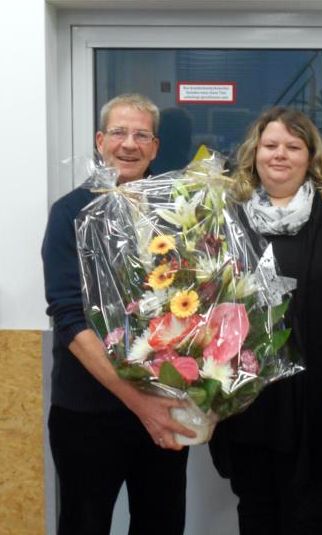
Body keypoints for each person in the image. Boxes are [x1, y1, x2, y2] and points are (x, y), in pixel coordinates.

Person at [42, 93, 196, 535]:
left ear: (155, 147)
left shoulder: (174, 214)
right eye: (119, 133)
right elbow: (69, 318)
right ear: (100, 141)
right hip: (87, 412)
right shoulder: (70, 213)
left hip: (164, 405)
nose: (129, 144)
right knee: (85, 524)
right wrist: (139, 402)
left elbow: (196, 301)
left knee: (162, 524)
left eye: (142, 135)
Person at [209, 106, 322, 535]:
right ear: (254, 152)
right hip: (250, 398)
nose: (280, 154)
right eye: (270, 145)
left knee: (314, 513)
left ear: (311, 156)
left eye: (293, 147)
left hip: (318, 396)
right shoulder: (228, 212)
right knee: (256, 510)